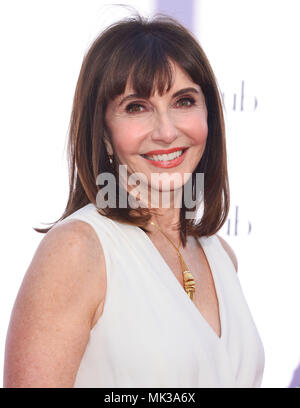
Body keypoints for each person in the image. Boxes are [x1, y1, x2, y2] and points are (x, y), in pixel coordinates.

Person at [3, 13, 265, 388]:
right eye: (136, 107)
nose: (167, 131)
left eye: (184, 101)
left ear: (210, 115)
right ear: (104, 134)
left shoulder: (222, 255)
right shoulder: (77, 250)